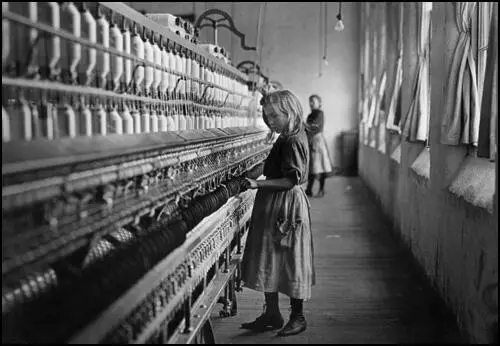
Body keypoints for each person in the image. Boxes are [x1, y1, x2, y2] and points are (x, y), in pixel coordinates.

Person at [242, 89, 315, 337]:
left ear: (290, 112)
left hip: (286, 205)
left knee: (290, 259)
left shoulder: (294, 139)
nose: (269, 121)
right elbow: (276, 163)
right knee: (269, 257)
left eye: (274, 116)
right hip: (274, 203)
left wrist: (257, 184)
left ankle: (298, 317)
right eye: (266, 116)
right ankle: (272, 313)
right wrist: (255, 169)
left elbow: (290, 180)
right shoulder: (286, 136)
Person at [305, 94, 333, 197]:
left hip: (318, 141)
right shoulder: (310, 115)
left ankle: (321, 189)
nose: (311, 103)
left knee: (320, 166)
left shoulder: (320, 113)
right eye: (310, 101)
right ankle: (309, 189)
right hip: (311, 141)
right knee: (312, 166)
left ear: (319, 103)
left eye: (313, 101)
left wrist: (305, 126)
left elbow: (314, 126)